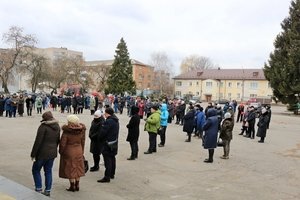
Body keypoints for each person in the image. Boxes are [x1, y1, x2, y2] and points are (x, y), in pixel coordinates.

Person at [30, 111, 60, 197]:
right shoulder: (57, 126)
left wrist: (33, 154)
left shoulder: (43, 127)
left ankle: (38, 188)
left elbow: (38, 141)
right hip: (52, 153)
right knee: (48, 171)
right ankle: (47, 190)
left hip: (42, 153)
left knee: (35, 170)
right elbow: (58, 140)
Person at [59, 115, 86, 192]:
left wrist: (61, 151)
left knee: (70, 168)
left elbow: (63, 143)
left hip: (69, 151)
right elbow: (83, 141)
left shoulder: (67, 131)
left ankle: (72, 186)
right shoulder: (82, 129)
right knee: (78, 167)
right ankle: (77, 184)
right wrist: (82, 150)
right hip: (79, 150)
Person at [97, 107, 120, 183]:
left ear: (107, 113)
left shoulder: (109, 121)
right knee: (112, 158)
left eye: (105, 113)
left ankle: (107, 176)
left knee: (107, 160)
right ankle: (112, 174)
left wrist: (100, 139)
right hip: (114, 142)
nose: (104, 114)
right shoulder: (116, 120)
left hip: (107, 143)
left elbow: (103, 132)